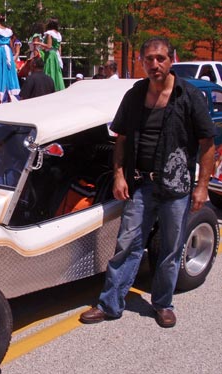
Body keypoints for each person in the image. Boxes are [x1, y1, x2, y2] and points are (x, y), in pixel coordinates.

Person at [79, 36, 215, 329]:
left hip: (176, 188)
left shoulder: (188, 96)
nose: (155, 64)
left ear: (171, 59)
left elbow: (207, 144)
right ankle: (110, 304)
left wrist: (202, 185)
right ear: (141, 62)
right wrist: (118, 174)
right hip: (141, 184)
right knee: (127, 244)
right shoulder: (135, 94)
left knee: (169, 248)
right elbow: (122, 138)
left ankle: (163, 303)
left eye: (160, 58)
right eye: (149, 59)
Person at [0, 13, 20, 102]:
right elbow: (10, 43)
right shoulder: (8, 31)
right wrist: (12, 53)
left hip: (0, 51)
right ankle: (12, 92)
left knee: (0, 70)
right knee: (9, 71)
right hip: (8, 51)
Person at [34, 18, 65, 91]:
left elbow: (49, 46)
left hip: (50, 54)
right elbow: (59, 47)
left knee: (49, 70)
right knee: (56, 72)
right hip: (55, 54)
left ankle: (48, 88)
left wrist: (38, 43)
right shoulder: (58, 34)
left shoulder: (49, 33)